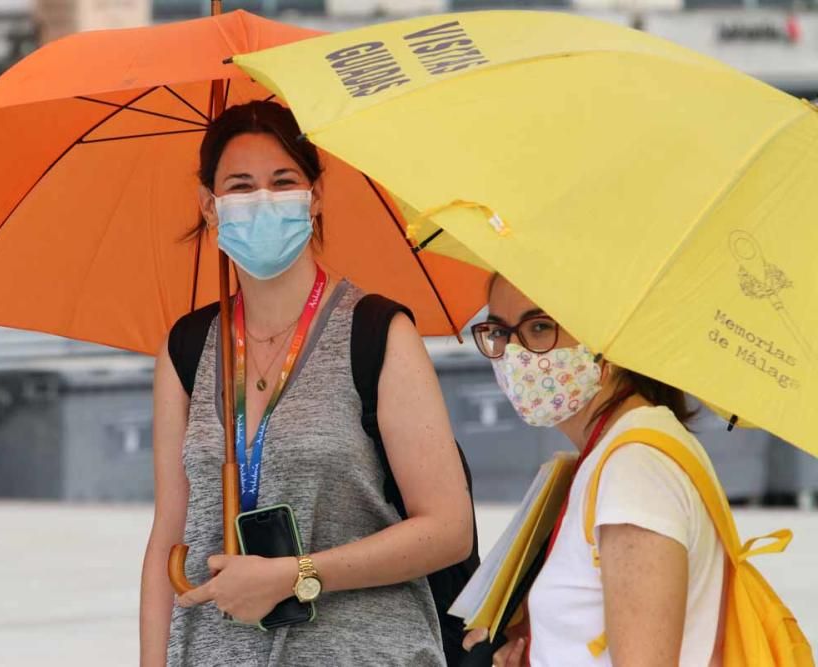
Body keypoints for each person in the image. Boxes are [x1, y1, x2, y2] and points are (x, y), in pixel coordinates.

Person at [139, 101, 474, 666]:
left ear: (315, 196)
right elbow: (167, 538)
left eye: (283, 182)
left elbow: (447, 529)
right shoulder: (189, 347)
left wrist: (295, 575)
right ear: (209, 204)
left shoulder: (376, 332)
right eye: (240, 186)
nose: (263, 200)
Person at [465, 275, 725, 666]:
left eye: (540, 327)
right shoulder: (618, 453)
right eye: (500, 331)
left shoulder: (635, 470)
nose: (513, 353)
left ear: (608, 334)